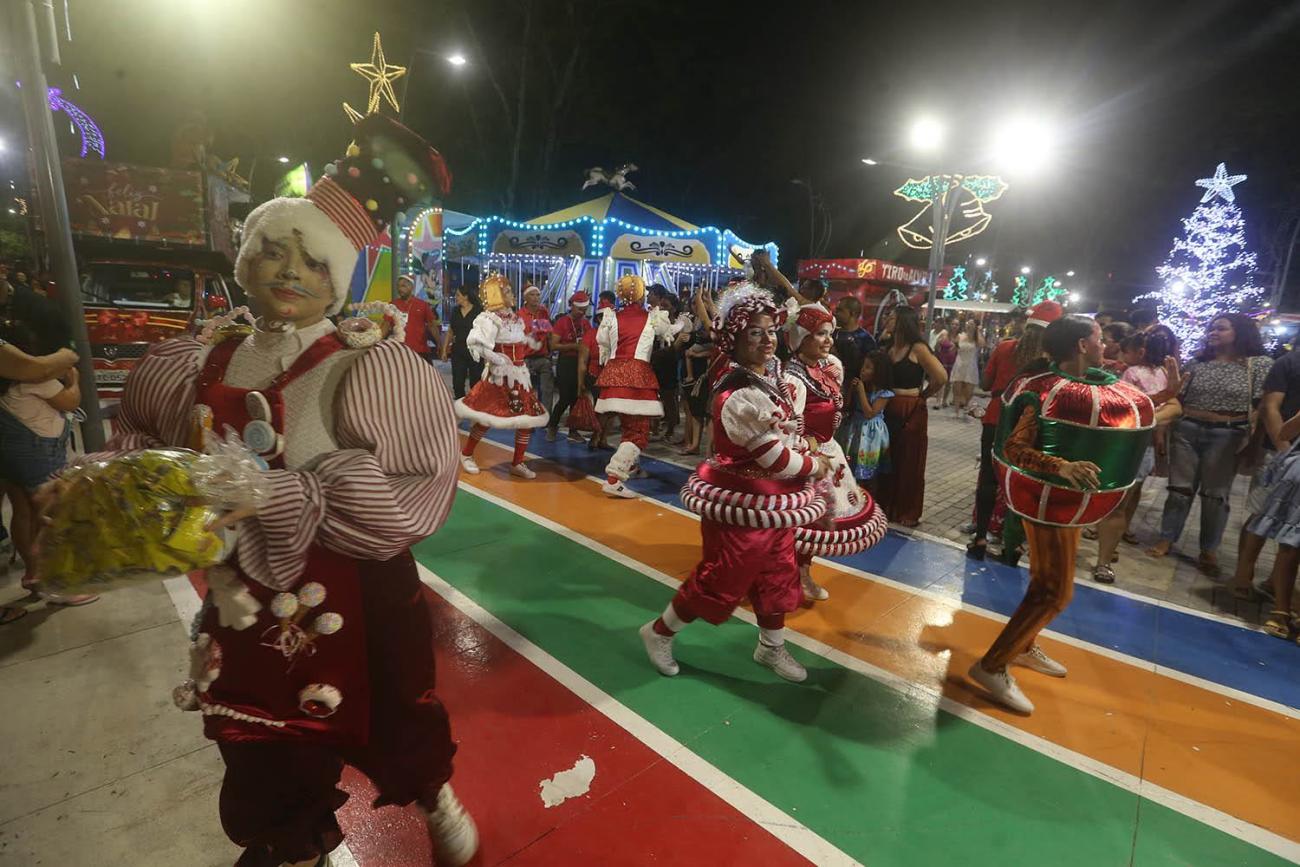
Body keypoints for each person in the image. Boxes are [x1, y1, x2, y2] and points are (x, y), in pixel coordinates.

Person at [44, 114, 478, 867]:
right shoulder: (199, 359)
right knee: (258, 738)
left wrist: (280, 497)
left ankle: (431, 795)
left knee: (396, 711)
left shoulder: (370, 364)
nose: (289, 271)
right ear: (245, 261)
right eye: (273, 251)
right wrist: (98, 491)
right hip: (243, 585)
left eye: (312, 261)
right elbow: (144, 440)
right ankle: (293, 841)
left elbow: (415, 490)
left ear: (336, 279)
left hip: (360, 585)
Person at [639, 284, 831, 683]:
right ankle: (659, 632)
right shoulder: (740, 392)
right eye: (755, 333)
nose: (767, 340)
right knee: (720, 578)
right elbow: (774, 457)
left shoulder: (769, 375)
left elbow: (785, 439)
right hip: (741, 507)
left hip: (772, 503)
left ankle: (771, 647)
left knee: (779, 572)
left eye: (771, 331)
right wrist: (816, 466)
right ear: (735, 338)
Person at [968, 316, 1154, 714]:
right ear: (1083, 345)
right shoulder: (1044, 390)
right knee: (1055, 592)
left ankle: (1024, 644)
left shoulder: (1089, 386)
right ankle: (992, 665)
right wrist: (1063, 467)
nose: (1105, 345)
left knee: (1045, 584)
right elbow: (1015, 448)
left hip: (1068, 504)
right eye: (1099, 339)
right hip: (1046, 502)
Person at [1149, 314, 1272, 574]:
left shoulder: (1258, 364)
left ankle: (1208, 549)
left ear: (1240, 332)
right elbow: (1177, 397)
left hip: (1228, 435)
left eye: (1221, 328)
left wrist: (1254, 444)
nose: (1212, 332)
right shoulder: (1197, 362)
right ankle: (1167, 538)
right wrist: (1162, 429)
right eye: (1211, 328)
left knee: (1215, 495)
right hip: (1187, 430)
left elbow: (1262, 408)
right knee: (1179, 489)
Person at [784, 304, 889, 602]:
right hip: (805, 459)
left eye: (829, 333)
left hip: (829, 453)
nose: (828, 340)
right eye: (820, 334)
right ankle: (789, 577)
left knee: (815, 524)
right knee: (801, 522)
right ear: (801, 338)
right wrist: (808, 451)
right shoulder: (792, 378)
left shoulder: (828, 367)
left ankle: (801, 574)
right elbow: (788, 428)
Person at [0, 315, 98, 614]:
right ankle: (60, 584)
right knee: (54, 516)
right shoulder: (36, 379)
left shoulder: (5, 384)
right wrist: (74, 380)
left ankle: (33, 573)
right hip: (40, 454)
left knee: (23, 512)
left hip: (12, 454)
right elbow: (70, 401)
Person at [966, 301, 1061, 560]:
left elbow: (986, 384)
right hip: (1029, 425)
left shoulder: (1005, 348)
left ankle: (980, 537)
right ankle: (1012, 546)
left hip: (997, 417)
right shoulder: (1053, 362)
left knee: (988, 478)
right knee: (1023, 483)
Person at [1091, 329, 1183, 583]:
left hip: (1132, 442)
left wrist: (1146, 420)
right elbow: (1138, 407)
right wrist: (1153, 417)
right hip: (1133, 441)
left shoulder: (1139, 372)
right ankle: (1107, 551)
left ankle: (1106, 553)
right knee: (1122, 499)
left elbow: (1171, 407)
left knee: (1119, 501)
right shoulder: (1142, 372)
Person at [455, 274, 549, 479]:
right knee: (487, 417)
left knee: (526, 419)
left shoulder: (514, 318)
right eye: (507, 291)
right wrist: (498, 359)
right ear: (496, 294)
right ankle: (467, 453)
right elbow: (477, 344)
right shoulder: (489, 318)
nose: (512, 295)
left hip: (520, 376)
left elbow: (521, 343)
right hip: (499, 377)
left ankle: (518, 462)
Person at [1229, 344, 1300, 601]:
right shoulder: (1289, 362)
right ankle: (1243, 574)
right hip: (1279, 453)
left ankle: (1276, 582)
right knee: (1260, 513)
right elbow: (1270, 407)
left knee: (1295, 525)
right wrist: (1285, 451)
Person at [594, 274, 673, 498]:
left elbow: (603, 341)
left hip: (614, 376)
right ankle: (614, 477)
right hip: (637, 378)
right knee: (638, 433)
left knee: (629, 429)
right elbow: (666, 332)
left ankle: (629, 467)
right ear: (640, 295)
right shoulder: (652, 317)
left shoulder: (611, 317)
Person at [876, 306, 948, 527]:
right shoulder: (888, 346)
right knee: (887, 459)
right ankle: (885, 506)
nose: (887, 320)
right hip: (887, 407)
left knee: (908, 460)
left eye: (892, 317)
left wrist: (923, 396)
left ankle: (906, 510)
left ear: (903, 321)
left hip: (910, 408)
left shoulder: (918, 348)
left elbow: (941, 377)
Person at [545, 291, 593, 443]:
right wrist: (574, 346)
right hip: (566, 362)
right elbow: (553, 345)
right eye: (580, 309)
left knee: (577, 397)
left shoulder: (586, 323)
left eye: (585, 310)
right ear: (572, 306)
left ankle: (573, 431)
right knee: (565, 397)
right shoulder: (562, 322)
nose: (582, 313)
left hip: (581, 362)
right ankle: (552, 426)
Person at [577, 291, 617, 451]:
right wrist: (580, 383)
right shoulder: (590, 335)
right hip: (594, 377)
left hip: (612, 377)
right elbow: (582, 361)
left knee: (611, 410)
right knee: (601, 410)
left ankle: (602, 438)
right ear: (600, 319)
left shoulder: (617, 336)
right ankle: (596, 437)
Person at [441, 283, 483, 399]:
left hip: (475, 351)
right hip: (458, 350)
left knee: (475, 381)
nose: (456, 297)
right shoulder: (455, 311)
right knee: (458, 382)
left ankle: (474, 404)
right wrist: (444, 350)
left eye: (458, 295)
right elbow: (450, 331)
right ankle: (460, 403)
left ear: (466, 296)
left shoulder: (479, 311)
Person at [518, 284, 554, 411]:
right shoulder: (519, 315)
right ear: (525, 298)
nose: (536, 298)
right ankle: (527, 413)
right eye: (532, 295)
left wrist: (550, 351)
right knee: (525, 390)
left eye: (538, 295)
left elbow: (549, 333)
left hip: (542, 357)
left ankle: (546, 415)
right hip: (525, 358)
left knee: (547, 390)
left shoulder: (544, 312)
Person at [391, 274, 439, 360]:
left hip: (420, 351)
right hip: (399, 351)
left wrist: (440, 344)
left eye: (403, 286)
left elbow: (432, 326)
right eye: (398, 286)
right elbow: (386, 325)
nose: (399, 289)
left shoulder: (422, 305)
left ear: (411, 287)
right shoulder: (393, 305)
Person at [949, 318, 984, 419]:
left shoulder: (977, 339)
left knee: (969, 391)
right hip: (959, 364)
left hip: (970, 365)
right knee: (957, 388)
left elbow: (982, 344)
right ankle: (956, 410)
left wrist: (978, 331)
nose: (969, 325)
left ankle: (966, 407)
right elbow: (954, 348)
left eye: (972, 324)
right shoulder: (960, 336)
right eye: (968, 323)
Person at [932, 324, 957, 409]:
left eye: (957, 325)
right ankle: (938, 401)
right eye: (953, 324)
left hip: (952, 361)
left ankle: (944, 400)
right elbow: (936, 346)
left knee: (949, 382)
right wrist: (939, 343)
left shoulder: (959, 337)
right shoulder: (944, 333)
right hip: (942, 360)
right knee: (941, 380)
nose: (954, 326)